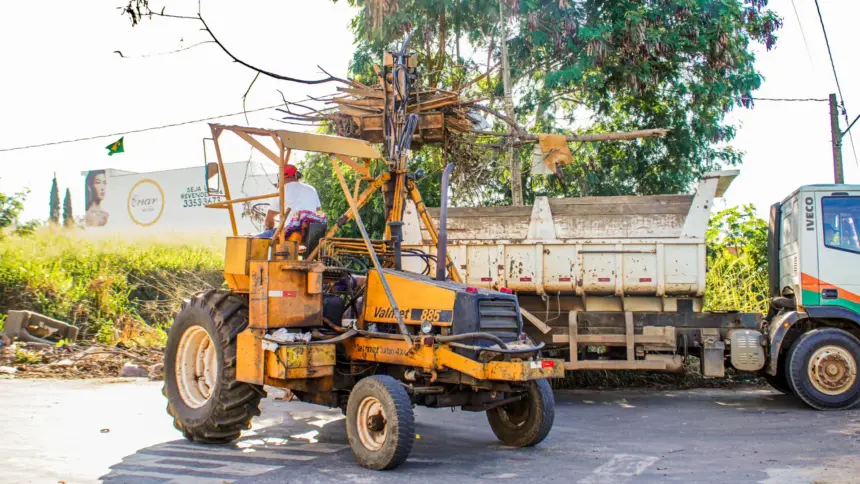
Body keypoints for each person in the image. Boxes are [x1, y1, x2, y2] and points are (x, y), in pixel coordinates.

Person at [257, 165, 323, 239]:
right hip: (311, 233)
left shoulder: (281, 191)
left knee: (253, 239)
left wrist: (269, 229)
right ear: (296, 175)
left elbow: (269, 221)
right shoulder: (312, 189)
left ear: (281, 177)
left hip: (290, 232)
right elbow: (319, 212)